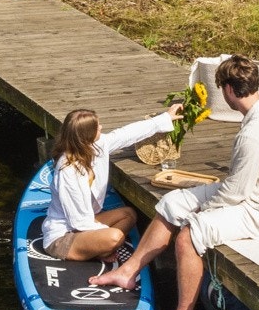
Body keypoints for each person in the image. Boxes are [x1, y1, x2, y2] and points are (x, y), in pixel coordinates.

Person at [90, 55, 259, 310]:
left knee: (188, 236)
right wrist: (195, 203)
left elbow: (236, 194)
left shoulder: (253, 134)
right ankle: (127, 272)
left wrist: (201, 211)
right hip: (246, 191)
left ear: (228, 90)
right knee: (170, 203)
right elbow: (236, 186)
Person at [41, 103, 179, 262]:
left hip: (86, 224)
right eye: (97, 127)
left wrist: (166, 117)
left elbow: (126, 134)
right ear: (87, 135)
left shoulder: (95, 145)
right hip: (64, 236)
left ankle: (99, 249)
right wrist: (104, 234)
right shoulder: (68, 171)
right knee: (115, 237)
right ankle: (100, 248)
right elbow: (78, 221)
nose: (101, 127)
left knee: (129, 214)